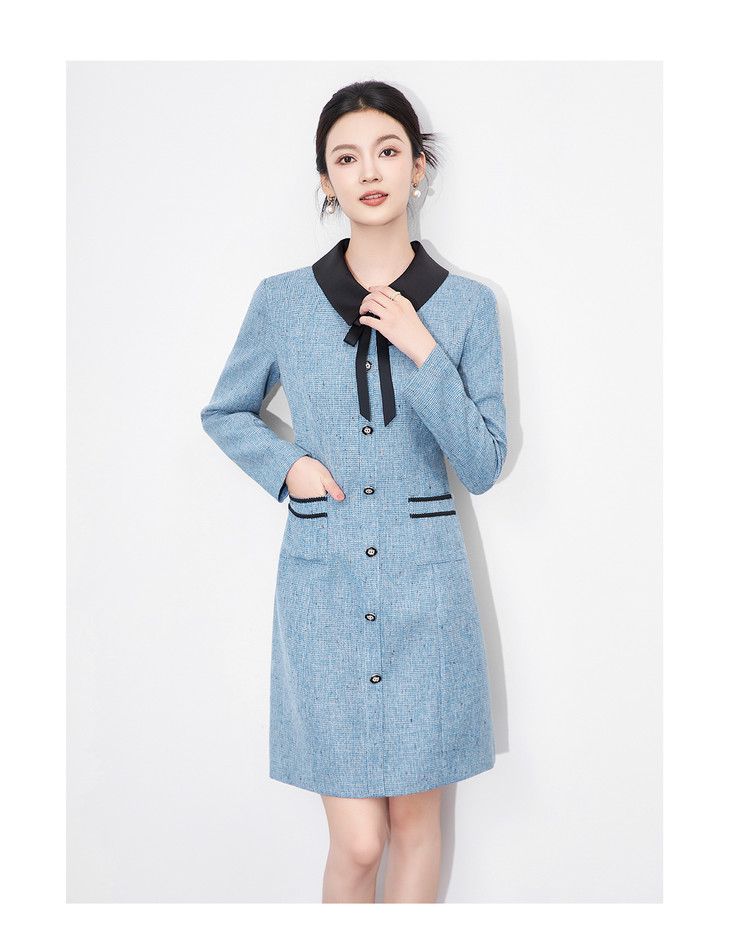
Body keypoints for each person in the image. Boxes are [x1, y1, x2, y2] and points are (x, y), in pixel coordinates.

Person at [200, 79, 507, 903]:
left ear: (418, 167)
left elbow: (483, 464)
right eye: (346, 158)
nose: (369, 171)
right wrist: (287, 468)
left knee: (416, 829)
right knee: (361, 841)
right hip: (324, 592)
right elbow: (224, 410)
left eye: (388, 150)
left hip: (427, 598)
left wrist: (422, 349)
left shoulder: (468, 307)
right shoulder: (282, 302)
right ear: (326, 180)